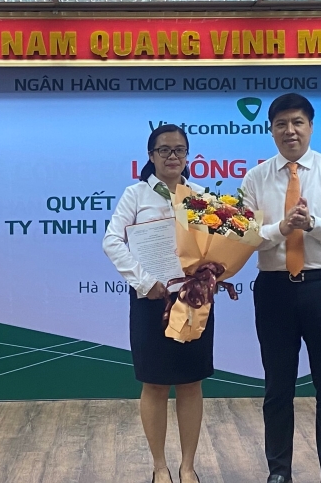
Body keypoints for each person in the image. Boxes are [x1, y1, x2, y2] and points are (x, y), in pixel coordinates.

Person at [241, 94, 321, 483]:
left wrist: (313, 224)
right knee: (277, 388)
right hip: (274, 289)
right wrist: (282, 228)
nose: (289, 131)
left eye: (297, 122)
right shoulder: (255, 178)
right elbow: (245, 238)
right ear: (271, 130)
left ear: (310, 127)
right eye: (281, 124)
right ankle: (279, 472)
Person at [103, 124, 208, 483]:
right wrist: (145, 282)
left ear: (187, 155)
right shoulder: (135, 195)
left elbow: (213, 246)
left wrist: (210, 272)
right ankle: (160, 466)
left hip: (194, 301)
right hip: (152, 301)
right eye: (164, 150)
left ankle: (188, 467)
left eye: (179, 150)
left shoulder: (200, 196)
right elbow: (112, 241)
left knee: (191, 383)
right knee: (155, 384)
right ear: (151, 156)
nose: (172, 156)